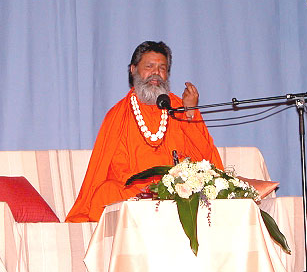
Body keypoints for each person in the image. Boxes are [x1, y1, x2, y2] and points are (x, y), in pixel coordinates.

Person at [66, 41, 223, 222]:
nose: (156, 73)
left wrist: (190, 113)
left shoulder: (180, 108)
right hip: (135, 190)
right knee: (106, 193)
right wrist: (149, 189)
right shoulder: (118, 114)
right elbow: (117, 166)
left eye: (162, 68)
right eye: (149, 66)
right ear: (133, 69)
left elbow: (205, 158)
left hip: (177, 191)